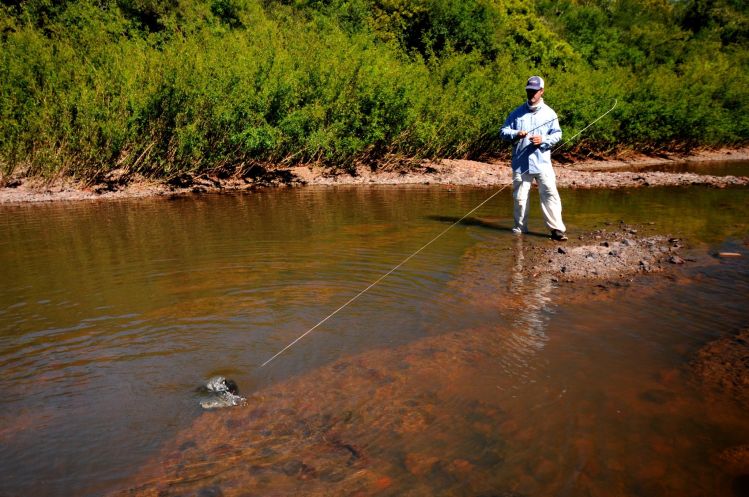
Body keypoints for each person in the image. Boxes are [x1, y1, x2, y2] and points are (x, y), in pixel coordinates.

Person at [500, 76, 567, 241]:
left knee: (550, 194)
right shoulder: (516, 113)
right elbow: (503, 132)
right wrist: (516, 134)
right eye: (529, 90)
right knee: (520, 199)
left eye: (535, 91)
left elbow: (557, 134)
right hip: (520, 164)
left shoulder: (550, 113)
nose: (532, 94)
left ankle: (557, 230)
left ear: (542, 91)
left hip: (542, 163)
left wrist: (543, 140)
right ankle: (520, 232)